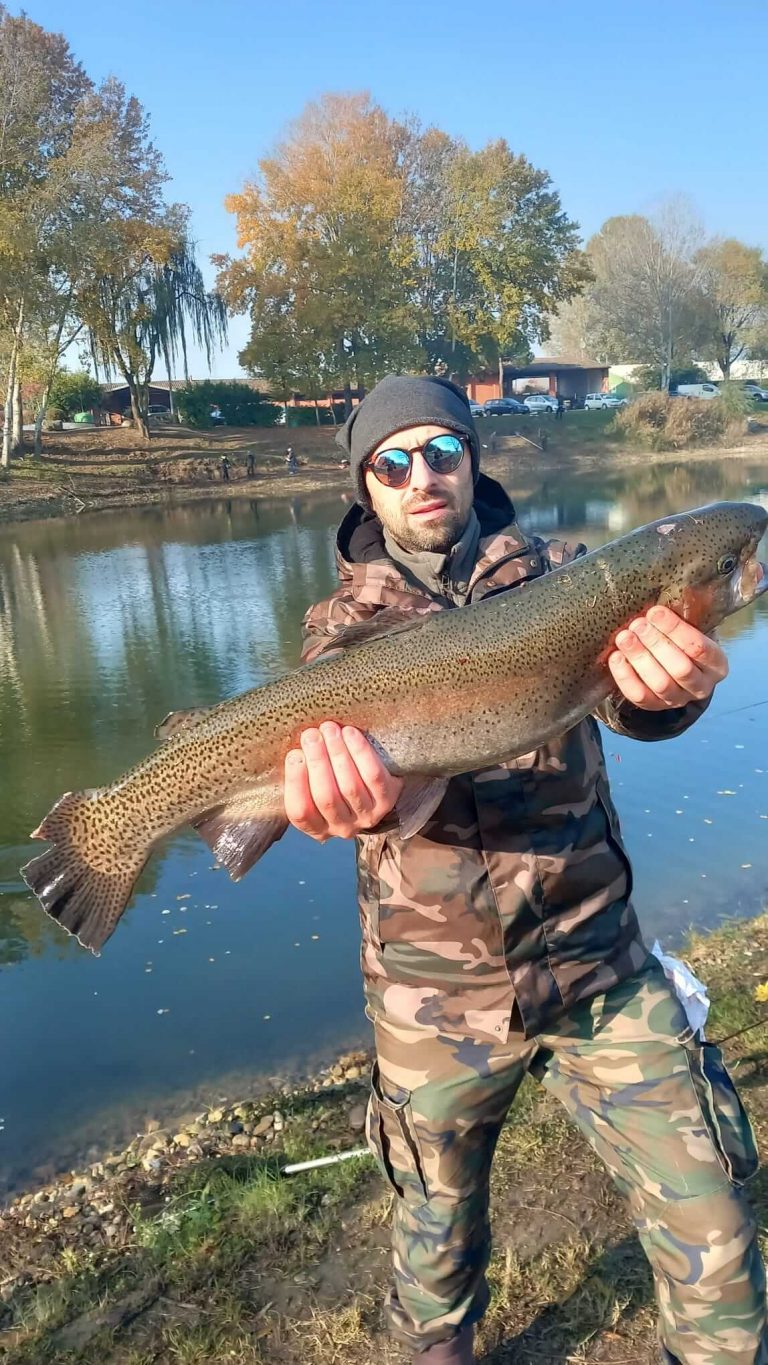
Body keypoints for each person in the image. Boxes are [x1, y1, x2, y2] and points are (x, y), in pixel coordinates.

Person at [284, 375, 766, 1365]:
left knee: (718, 1238)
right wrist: (346, 806)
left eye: (444, 452)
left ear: (474, 460)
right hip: (434, 1002)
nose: (423, 475)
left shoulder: (571, 575)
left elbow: (636, 704)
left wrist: (670, 697)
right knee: (434, 1265)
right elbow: (352, 803)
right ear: (363, 486)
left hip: (599, 965)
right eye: (393, 460)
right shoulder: (336, 638)